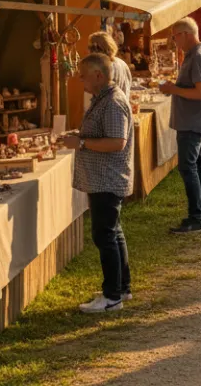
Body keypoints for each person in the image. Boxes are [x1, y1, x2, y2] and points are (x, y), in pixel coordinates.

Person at [66, 53, 134, 313]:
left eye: (84, 74)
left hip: (107, 179)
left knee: (104, 235)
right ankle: (121, 287)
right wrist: (80, 136)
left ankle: (111, 297)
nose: (80, 79)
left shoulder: (114, 102)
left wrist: (82, 143)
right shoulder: (103, 99)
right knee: (113, 233)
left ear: (98, 75)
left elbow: (117, 142)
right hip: (103, 178)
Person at [161, 17, 201, 234]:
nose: (175, 42)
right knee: (198, 166)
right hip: (193, 120)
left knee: (189, 167)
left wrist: (173, 89)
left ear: (186, 34)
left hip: (193, 122)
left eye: (175, 36)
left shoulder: (199, 57)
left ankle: (197, 217)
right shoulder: (195, 55)